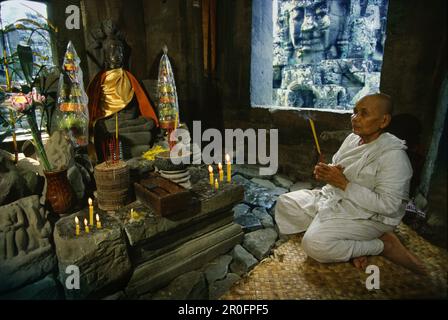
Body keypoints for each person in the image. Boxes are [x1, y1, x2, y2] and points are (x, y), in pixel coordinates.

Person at [275, 93, 426, 274]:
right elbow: (341, 167)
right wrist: (328, 171)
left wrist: (344, 184)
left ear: (384, 121)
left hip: (369, 215)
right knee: (285, 203)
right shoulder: (352, 139)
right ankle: (350, 243)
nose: (355, 118)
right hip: (337, 198)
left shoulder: (394, 156)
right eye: (354, 112)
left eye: (364, 114)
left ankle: (381, 245)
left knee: (314, 244)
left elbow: (389, 206)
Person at [87, 21, 159, 162]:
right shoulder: (100, 79)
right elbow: (97, 111)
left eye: (120, 50)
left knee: (148, 124)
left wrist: (127, 118)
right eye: (112, 49)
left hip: (129, 124)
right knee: (103, 130)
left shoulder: (128, 77)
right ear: (105, 54)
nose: (117, 54)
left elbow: (136, 108)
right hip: (110, 125)